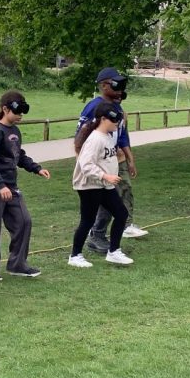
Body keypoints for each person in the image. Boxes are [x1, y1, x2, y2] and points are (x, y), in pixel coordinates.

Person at [0, 90, 51, 281]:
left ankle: (17, 264)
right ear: (5, 109)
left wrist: (36, 168)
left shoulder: (14, 131)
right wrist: (0, 185)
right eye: (17, 111)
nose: (20, 115)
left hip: (11, 186)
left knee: (23, 221)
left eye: (23, 111)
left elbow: (18, 155)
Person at [75, 66, 147, 255]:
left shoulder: (117, 108)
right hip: (99, 164)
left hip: (113, 160)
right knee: (104, 201)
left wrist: (130, 159)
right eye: (115, 84)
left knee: (120, 195)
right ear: (104, 85)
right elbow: (80, 137)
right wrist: (83, 163)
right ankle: (95, 236)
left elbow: (122, 136)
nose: (120, 89)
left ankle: (115, 230)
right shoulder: (94, 107)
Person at [69, 102, 133, 267]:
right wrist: (105, 176)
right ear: (103, 119)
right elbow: (85, 165)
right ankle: (75, 256)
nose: (117, 123)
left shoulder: (108, 137)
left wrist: (110, 175)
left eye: (118, 120)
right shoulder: (95, 139)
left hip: (104, 184)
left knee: (121, 214)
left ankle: (114, 252)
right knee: (88, 220)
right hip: (89, 185)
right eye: (113, 120)